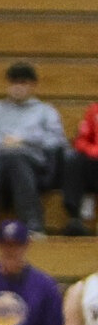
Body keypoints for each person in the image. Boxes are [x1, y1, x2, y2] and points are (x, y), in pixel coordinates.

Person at [0, 63, 69, 243]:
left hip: (33, 162)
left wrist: (24, 139)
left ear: (32, 85)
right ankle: (30, 224)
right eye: (14, 82)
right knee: (3, 156)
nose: (18, 87)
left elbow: (57, 140)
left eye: (23, 82)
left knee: (14, 156)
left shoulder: (45, 111)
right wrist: (2, 140)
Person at [66, 98, 98, 238]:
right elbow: (81, 140)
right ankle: (75, 216)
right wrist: (93, 150)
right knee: (74, 159)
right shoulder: (94, 110)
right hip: (95, 160)